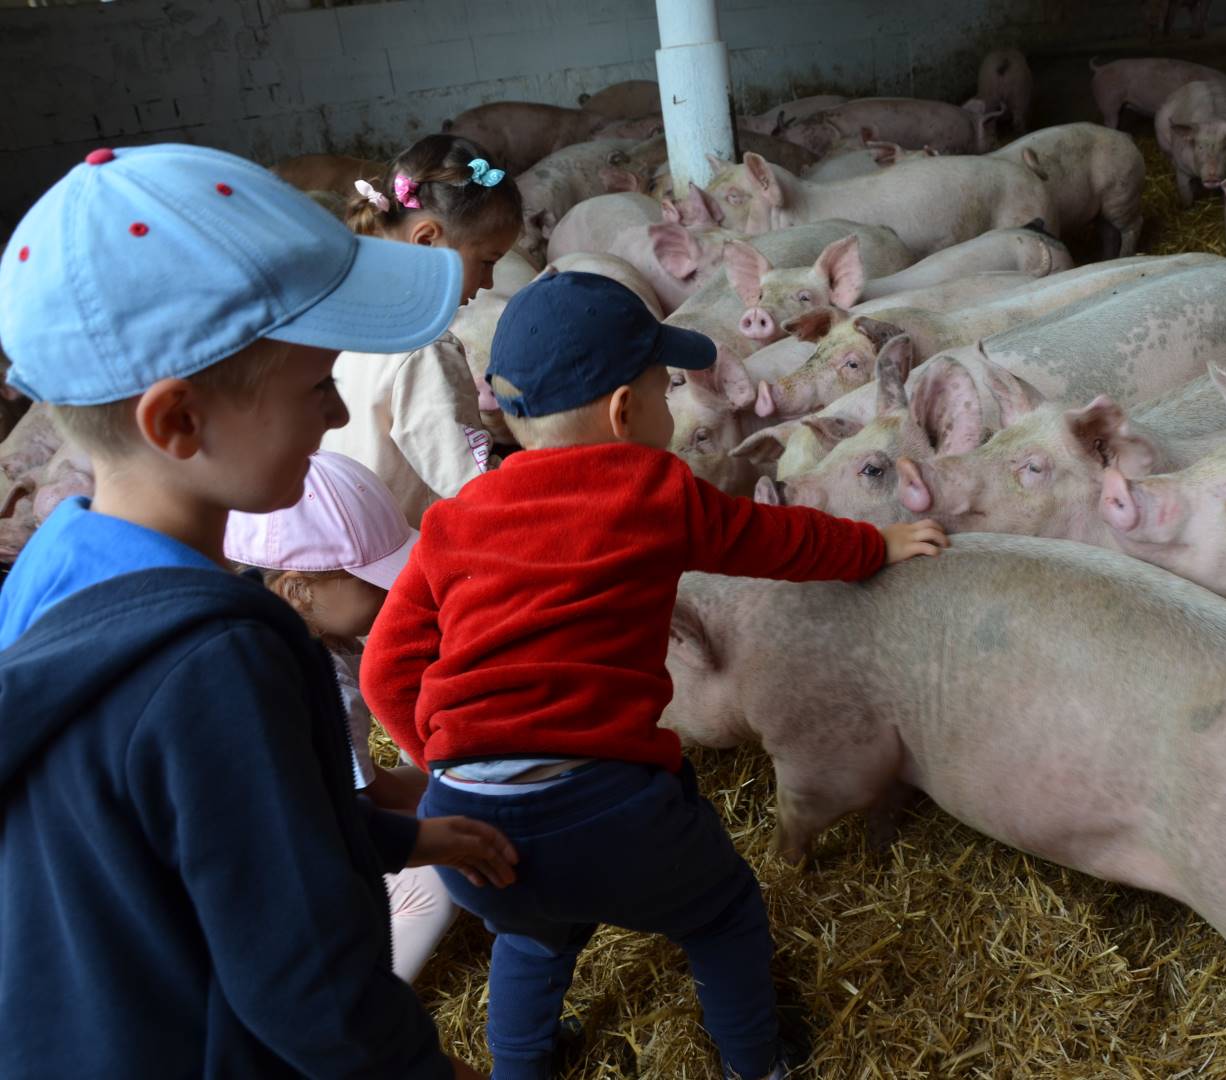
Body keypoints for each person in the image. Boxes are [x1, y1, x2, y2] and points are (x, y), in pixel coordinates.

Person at [0, 143, 516, 1079]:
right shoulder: (220, 661)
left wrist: (394, 838)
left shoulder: (48, 570)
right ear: (178, 422)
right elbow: (315, 993)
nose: (337, 418)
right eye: (318, 387)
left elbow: (200, 832)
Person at [361, 270, 950, 1080]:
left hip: (468, 822)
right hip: (608, 808)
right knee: (722, 913)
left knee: (530, 935)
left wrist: (448, 769)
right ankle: (757, 1064)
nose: (670, 401)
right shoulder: (654, 490)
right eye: (665, 386)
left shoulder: (451, 523)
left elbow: (384, 671)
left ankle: (521, 1069)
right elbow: (774, 541)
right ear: (624, 412)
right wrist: (873, 545)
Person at [226, 449, 458, 984]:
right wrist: (460, 811)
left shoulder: (260, 630)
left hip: (253, 836)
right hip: (268, 866)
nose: (395, 588)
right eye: (372, 580)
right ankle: (365, 1001)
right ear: (296, 589)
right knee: (433, 888)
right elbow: (365, 802)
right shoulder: (324, 680)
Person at [322, 133, 523, 526]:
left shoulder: (345, 317)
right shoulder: (425, 349)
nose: (488, 282)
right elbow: (469, 485)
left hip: (340, 531)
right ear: (428, 240)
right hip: (403, 547)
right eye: (486, 261)